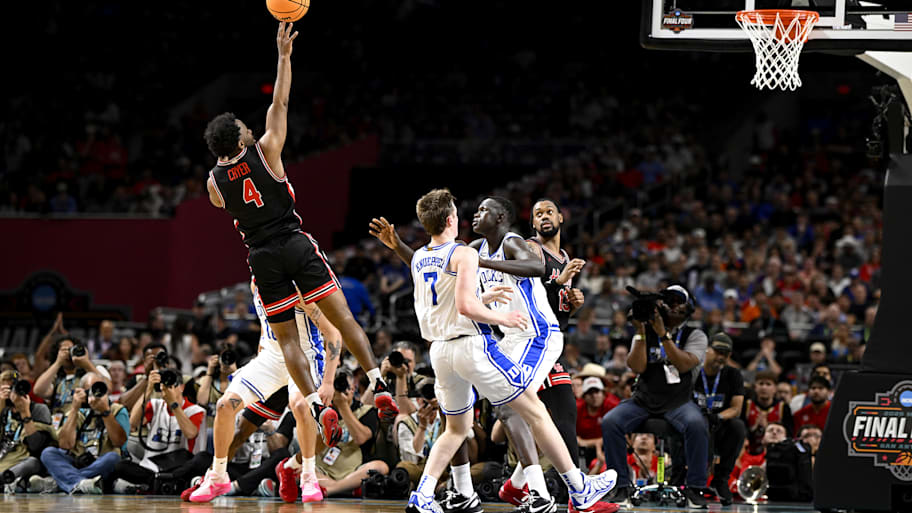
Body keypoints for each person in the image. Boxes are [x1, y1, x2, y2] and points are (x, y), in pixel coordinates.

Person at [201, 23, 398, 467]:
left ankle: (316, 403)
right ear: (241, 138)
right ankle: (378, 383)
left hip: (262, 257)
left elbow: (222, 187)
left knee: (287, 339)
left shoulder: (213, 183)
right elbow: (281, 101)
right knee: (342, 316)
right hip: (293, 241)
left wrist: (222, 154)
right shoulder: (268, 149)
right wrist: (284, 56)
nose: (252, 127)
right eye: (243, 127)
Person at [369, 189, 617, 513]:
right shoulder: (469, 249)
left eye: (484, 210)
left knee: (520, 411)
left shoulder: (512, 242)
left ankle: (538, 489)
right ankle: (536, 488)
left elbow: (536, 267)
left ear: (500, 218)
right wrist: (491, 302)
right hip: (495, 336)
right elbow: (449, 282)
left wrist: (480, 265)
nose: (474, 214)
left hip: (534, 333)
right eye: (471, 210)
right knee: (519, 411)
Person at [190, 283, 341, 503]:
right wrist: (259, 358)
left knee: (302, 408)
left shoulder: (299, 288)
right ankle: (217, 475)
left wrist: (328, 381)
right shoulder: (256, 284)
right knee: (225, 406)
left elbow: (333, 334)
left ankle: (306, 474)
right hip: (271, 358)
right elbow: (265, 326)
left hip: (305, 356)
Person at [600, 285, 710, 508]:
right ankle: (621, 486)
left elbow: (684, 363)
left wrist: (663, 335)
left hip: (677, 401)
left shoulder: (695, 335)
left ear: (687, 308)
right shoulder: (645, 331)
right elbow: (637, 367)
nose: (672, 305)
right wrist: (641, 332)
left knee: (697, 424)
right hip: (644, 400)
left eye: (678, 301)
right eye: (668, 300)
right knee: (611, 421)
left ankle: (696, 488)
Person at [113, 368, 205, 492]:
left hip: (180, 466)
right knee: (120, 466)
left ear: (181, 388)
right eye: (164, 385)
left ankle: (156, 484)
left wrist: (173, 404)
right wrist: (148, 389)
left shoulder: (195, 410)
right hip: (151, 467)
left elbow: (190, 433)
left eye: (172, 385)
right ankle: (162, 482)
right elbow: (132, 423)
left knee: (203, 459)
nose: (167, 388)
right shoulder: (155, 405)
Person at [36, 372, 129, 494]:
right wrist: (74, 408)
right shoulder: (77, 412)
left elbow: (120, 443)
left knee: (113, 458)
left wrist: (105, 412)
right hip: (76, 461)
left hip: (102, 461)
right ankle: (81, 483)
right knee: (48, 453)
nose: (94, 395)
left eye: (98, 389)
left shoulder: (117, 410)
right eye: (89, 390)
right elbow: (65, 445)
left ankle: (60, 482)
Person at [691, 333, 745, 506]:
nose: (721, 357)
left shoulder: (733, 374)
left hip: (719, 423)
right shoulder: (694, 372)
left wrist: (718, 416)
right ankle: (695, 483)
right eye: (717, 351)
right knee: (699, 426)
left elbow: (737, 408)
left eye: (726, 353)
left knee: (738, 427)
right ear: (707, 350)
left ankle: (720, 480)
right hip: (694, 423)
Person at [0, 371, 55, 490]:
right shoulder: (3, 410)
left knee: (32, 462)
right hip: (4, 458)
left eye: (13, 388)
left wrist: (25, 413)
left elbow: (36, 447)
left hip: (24, 461)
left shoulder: (39, 409)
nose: (11, 393)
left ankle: (5, 480)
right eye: (5, 389)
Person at [34, 335, 106, 421]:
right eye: (64, 350)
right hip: (57, 425)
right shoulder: (56, 379)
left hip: (80, 423)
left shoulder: (90, 373)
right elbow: (38, 390)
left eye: (71, 349)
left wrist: (86, 362)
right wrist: (58, 362)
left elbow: (107, 387)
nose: (69, 353)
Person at [742, 370, 793, 454]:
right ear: (755, 387)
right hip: (749, 453)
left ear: (775, 388)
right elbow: (741, 434)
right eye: (761, 383)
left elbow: (789, 435)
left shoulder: (783, 407)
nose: (764, 387)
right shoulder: (746, 405)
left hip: (777, 453)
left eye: (768, 384)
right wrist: (754, 428)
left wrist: (768, 428)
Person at [576, 377, 619, 472]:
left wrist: (595, 443)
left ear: (603, 394)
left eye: (597, 392)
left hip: (609, 447)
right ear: (584, 396)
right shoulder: (577, 409)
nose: (594, 396)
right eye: (590, 393)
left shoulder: (613, 406)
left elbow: (620, 434)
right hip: (583, 450)